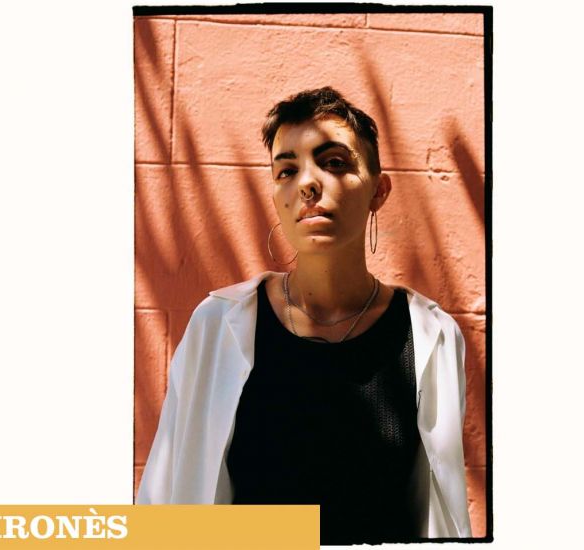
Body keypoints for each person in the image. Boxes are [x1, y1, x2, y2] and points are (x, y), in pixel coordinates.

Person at [136, 87, 471, 543]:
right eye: (287, 170)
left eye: (334, 162)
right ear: (277, 197)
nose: (308, 184)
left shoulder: (431, 336)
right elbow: (167, 501)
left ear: (378, 190)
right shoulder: (218, 326)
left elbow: (437, 511)